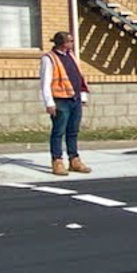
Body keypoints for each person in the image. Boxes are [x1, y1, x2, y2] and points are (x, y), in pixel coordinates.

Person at [41, 30, 91, 176]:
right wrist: (49, 102)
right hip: (60, 101)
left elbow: (79, 77)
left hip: (74, 99)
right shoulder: (49, 59)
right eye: (70, 41)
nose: (72, 43)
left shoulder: (72, 56)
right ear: (63, 43)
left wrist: (82, 96)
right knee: (58, 131)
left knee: (73, 131)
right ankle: (57, 161)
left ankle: (74, 159)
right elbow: (45, 82)